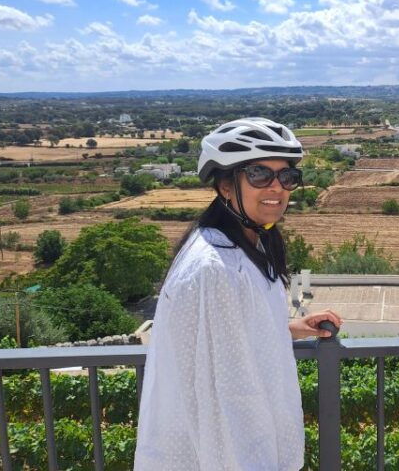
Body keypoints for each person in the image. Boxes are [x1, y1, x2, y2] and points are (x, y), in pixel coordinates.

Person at [135, 117, 342, 471]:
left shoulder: (244, 245)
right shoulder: (215, 269)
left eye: (287, 176)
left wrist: (291, 327)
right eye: (260, 174)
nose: (277, 187)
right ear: (226, 186)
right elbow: (229, 402)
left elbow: (231, 339)